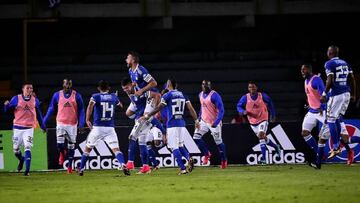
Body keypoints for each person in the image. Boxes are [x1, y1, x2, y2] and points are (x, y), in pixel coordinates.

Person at [311, 45, 358, 169]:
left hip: (336, 94)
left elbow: (330, 80)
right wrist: (353, 94)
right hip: (346, 93)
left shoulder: (329, 64)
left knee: (331, 120)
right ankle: (318, 163)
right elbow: (352, 79)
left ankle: (336, 147)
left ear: (330, 52)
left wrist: (325, 94)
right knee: (336, 119)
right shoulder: (345, 63)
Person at [141, 78, 199, 175]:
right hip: (181, 124)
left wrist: (148, 115)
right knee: (180, 145)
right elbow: (191, 109)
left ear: (169, 85)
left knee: (173, 147)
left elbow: (159, 107)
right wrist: (196, 121)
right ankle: (189, 158)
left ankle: (182, 169)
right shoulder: (183, 95)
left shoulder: (167, 95)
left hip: (172, 125)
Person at [78, 80, 129, 176]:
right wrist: (116, 98)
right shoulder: (113, 97)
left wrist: (87, 119)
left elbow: (90, 106)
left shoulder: (95, 96)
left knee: (87, 149)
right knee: (116, 150)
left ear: (98, 88)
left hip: (97, 128)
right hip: (110, 128)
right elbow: (121, 106)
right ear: (108, 88)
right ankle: (123, 164)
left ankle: (81, 168)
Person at [121, 77, 166, 174]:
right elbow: (135, 105)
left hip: (147, 115)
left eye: (127, 88)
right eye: (124, 89)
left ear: (132, 84)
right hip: (143, 115)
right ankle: (146, 167)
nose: (126, 91)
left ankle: (130, 162)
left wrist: (155, 112)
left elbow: (157, 95)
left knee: (132, 137)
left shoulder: (140, 90)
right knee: (142, 141)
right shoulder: (131, 94)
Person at [3, 81, 46, 176]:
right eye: (28, 88)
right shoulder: (16, 99)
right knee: (16, 150)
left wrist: (43, 126)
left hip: (29, 128)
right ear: (23, 89)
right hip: (17, 128)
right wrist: (6, 105)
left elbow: (39, 114)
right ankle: (21, 159)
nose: (30, 90)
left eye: (31, 88)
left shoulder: (35, 100)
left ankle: (27, 171)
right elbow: (7, 110)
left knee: (28, 147)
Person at [43, 78, 85, 173]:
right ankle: (62, 153)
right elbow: (51, 109)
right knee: (60, 145)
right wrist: (44, 122)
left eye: (69, 83)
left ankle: (69, 167)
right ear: (63, 84)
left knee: (71, 146)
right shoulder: (57, 95)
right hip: (61, 123)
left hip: (72, 124)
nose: (68, 85)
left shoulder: (77, 95)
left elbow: (82, 109)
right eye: (66, 83)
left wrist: (81, 123)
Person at [236, 81, 280, 164]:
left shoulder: (262, 95)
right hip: (252, 122)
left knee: (260, 136)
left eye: (253, 87)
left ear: (256, 88)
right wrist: (242, 111)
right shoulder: (245, 97)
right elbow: (238, 105)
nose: (251, 89)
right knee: (263, 138)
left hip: (263, 119)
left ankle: (264, 159)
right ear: (248, 88)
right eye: (250, 87)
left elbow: (271, 104)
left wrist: (273, 115)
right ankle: (276, 147)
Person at [193, 80, 227, 169]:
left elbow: (222, 110)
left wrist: (216, 122)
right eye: (203, 84)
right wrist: (199, 119)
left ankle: (224, 161)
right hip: (204, 121)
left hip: (214, 122)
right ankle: (206, 154)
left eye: (206, 85)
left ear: (210, 86)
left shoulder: (215, 95)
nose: (204, 86)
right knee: (196, 137)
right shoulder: (200, 94)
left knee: (218, 142)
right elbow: (202, 107)